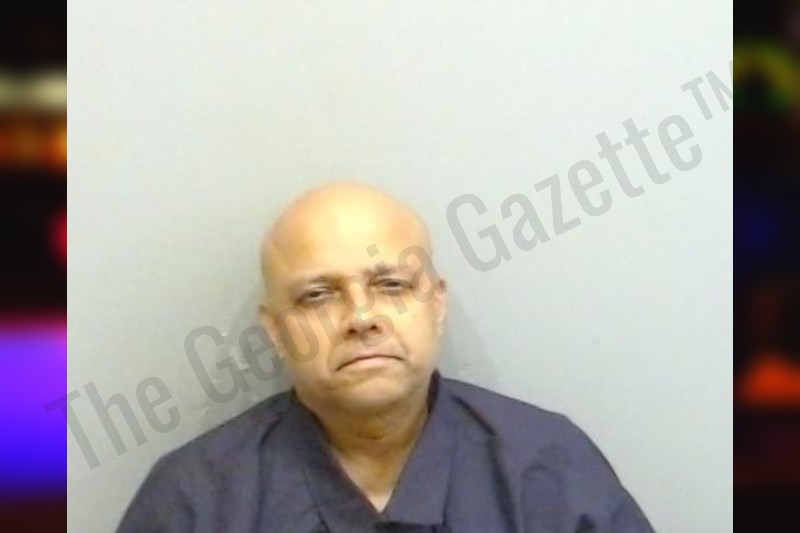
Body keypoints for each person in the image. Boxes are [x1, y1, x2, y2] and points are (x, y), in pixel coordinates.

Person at [117, 182, 654, 532]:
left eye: (391, 285)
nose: (361, 317)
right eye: (318, 296)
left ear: (436, 305)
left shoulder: (548, 471)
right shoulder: (195, 501)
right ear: (276, 331)